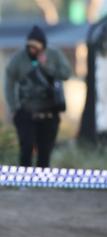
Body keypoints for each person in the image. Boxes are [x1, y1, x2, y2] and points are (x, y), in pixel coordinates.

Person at [3, 25, 72, 167]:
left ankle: (41, 185)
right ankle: (24, 182)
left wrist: (46, 66)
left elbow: (66, 74)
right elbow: (9, 81)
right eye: (30, 46)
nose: (32, 50)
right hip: (26, 112)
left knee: (45, 151)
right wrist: (13, 107)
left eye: (36, 47)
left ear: (43, 47)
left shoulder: (53, 55)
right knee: (26, 148)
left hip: (49, 113)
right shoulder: (19, 58)